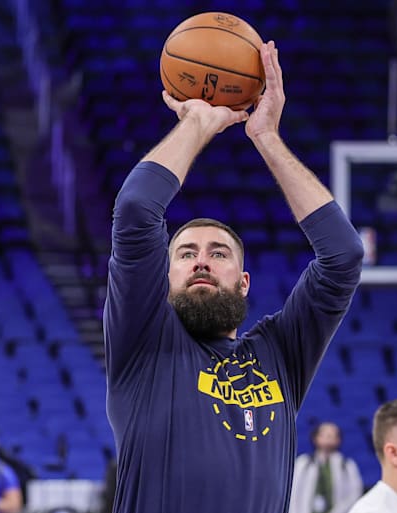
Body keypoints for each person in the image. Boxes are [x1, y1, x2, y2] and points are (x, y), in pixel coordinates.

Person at [103, 40, 365, 513]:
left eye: (218, 253)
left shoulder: (279, 353)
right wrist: (197, 122)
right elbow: (138, 208)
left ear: (244, 282)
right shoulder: (143, 340)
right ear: (165, 278)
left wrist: (266, 137)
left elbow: (343, 256)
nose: (201, 261)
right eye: (186, 253)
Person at [290, 422, 363, 513]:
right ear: (315, 438)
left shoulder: (347, 465)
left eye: (332, 435)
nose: (328, 437)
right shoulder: (303, 462)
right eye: (324, 434)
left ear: (339, 439)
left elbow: (355, 493)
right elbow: (293, 492)